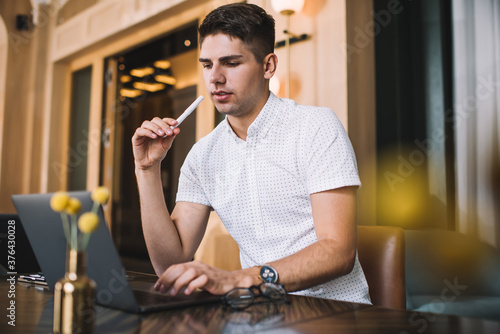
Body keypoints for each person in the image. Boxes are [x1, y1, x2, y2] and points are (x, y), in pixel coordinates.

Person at [132, 3, 371, 304]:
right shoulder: (203, 155)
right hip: (259, 313)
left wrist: (242, 278)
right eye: (207, 65)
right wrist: (147, 170)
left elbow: (339, 251)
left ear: (268, 66)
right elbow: (170, 264)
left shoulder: (315, 127)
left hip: (336, 310)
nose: (215, 78)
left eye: (230, 63)